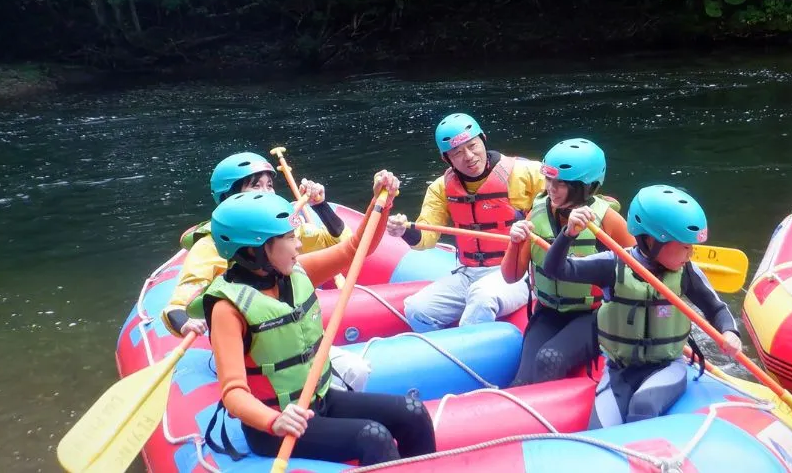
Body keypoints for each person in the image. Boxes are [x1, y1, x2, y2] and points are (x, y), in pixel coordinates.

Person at [200, 171, 437, 465]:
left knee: (413, 412)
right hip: (276, 424)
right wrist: (274, 421)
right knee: (373, 436)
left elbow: (357, 249)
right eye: (289, 238)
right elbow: (234, 393)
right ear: (254, 250)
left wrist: (380, 202)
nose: (298, 245)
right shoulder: (228, 309)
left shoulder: (296, 272)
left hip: (321, 398)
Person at [541, 184, 743, 429]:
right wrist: (568, 233)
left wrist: (730, 332)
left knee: (643, 406)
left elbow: (716, 308)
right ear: (652, 240)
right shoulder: (614, 264)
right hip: (618, 370)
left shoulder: (687, 273)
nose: (690, 253)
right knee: (599, 429)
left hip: (667, 366)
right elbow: (555, 269)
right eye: (685, 246)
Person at [161, 151, 349, 338]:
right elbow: (177, 307)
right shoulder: (211, 245)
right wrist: (185, 324)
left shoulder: (283, 230)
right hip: (250, 337)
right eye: (256, 186)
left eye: (269, 185)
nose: (267, 193)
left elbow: (336, 243)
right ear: (229, 196)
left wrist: (320, 205)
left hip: (297, 329)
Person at [385, 113, 546, 332]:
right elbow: (426, 240)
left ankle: (465, 346)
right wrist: (404, 230)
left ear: (483, 140)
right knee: (417, 309)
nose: (469, 156)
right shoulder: (440, 188)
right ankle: (448, 349)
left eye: (473, 146)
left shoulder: (527, 173)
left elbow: (564, 199)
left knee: (482, 296)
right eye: (457, 153)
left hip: (518, 272)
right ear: (447, 159)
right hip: (467, 273)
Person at [502, 138, 636, 386]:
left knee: (549, 359)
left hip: (594, 315)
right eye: (548, 180)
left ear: (586, 186)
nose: (551, 188)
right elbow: (511, 277)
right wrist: (515, 242)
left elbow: (641, 271)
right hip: (548, 311)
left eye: (561, 183)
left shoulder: (608, 221)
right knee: (522, 381)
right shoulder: (537, 213)